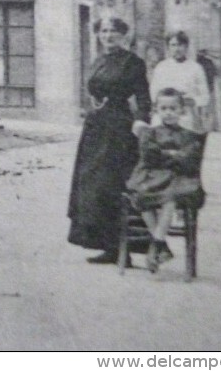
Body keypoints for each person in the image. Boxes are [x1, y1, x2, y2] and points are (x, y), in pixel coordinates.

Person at [68, 17, 152, 264]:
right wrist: (93, 104)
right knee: (91, 186)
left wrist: (141, 120)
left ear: (123, 35)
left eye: (113, 31)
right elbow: (93, 90)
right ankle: (107, 246)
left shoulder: (132, 63)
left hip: (118, 129)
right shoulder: (98, 60)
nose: (108, 36)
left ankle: (124, 248)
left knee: (112, 186)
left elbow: (143, 97)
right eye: (104, 31)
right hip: (96, 127)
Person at [126, 87, 206, 272]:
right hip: (152, 176)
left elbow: (189, 159)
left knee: (170, 198)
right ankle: (161, 246)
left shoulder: (187, 135)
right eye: (164, 109)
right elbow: (149, 156)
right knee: (141, 198)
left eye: (173, 108)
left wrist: (165, 155)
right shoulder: (150, 133)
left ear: (181, 110)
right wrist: (173, 154)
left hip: (177, 178)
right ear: (157, 110)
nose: (168, 113)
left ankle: (157, 243)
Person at [150, 31, 210, 133]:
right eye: (173, 45)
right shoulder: (161, 67)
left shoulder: (196, 68)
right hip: (163, 115)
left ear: (186, 47)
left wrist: (193, 101)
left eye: (180, 45)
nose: (177, 49)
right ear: (168, 47)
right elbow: (153, 93)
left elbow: (205, 97)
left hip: (185, 116)